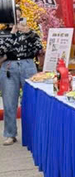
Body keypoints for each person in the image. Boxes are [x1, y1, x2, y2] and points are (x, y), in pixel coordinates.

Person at [0, 8, 42, 145]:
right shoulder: (2, 33)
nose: (17, 21)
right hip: (9, 67)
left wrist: (28, 33)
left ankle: (34, 133)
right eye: (14, 18)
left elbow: (38, 47)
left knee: (31, 101)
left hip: (28, 65)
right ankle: (10, 134)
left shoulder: (30, 32)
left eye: (19, 17)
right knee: (9, 102)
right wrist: (12, 35)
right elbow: (1, 51)